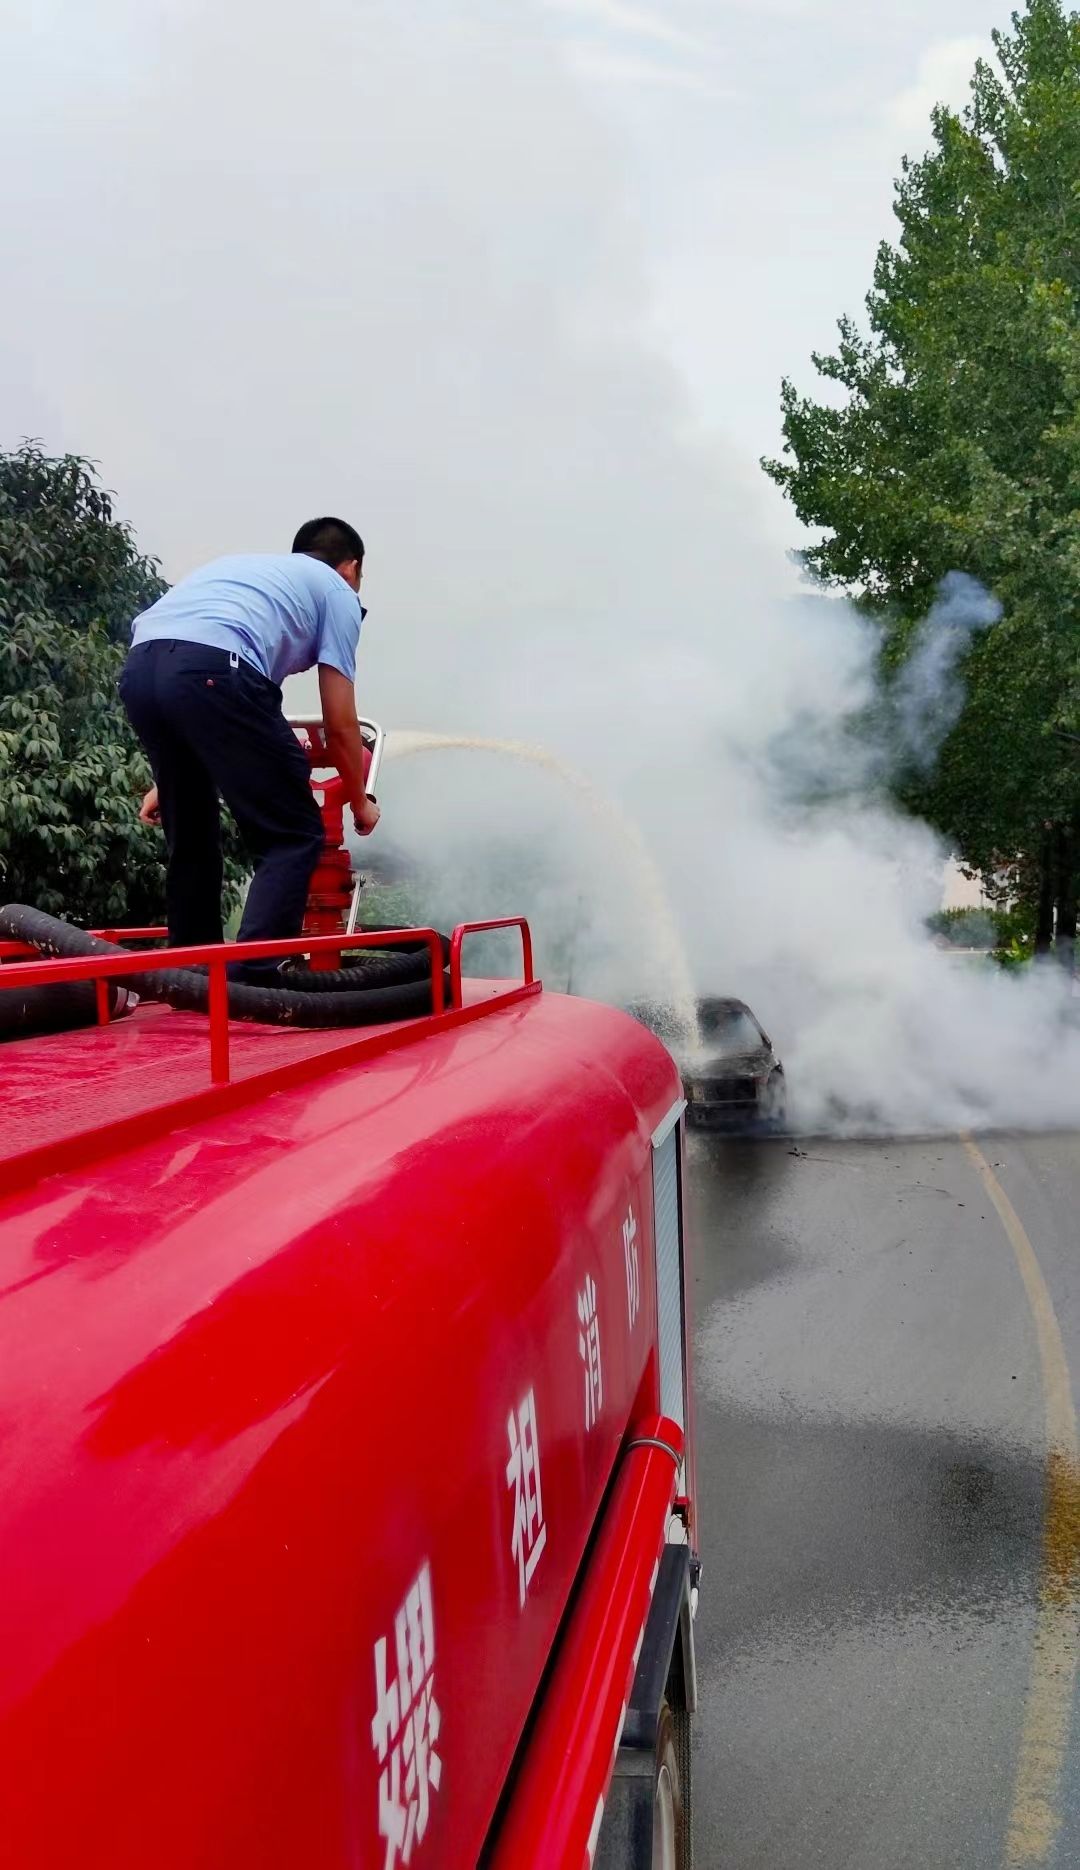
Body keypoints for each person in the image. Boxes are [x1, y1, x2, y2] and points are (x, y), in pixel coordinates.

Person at [119, 517, 379, 978]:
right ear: (351, 568)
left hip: (141, 671)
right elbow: (341, 725)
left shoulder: (251, 576)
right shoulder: (338, 592)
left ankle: (192, 972)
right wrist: (360, 802)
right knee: (293, 833)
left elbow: (224, 699)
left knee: (192, 834)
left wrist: (169, 776)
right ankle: (251, 981)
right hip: (216, 672)